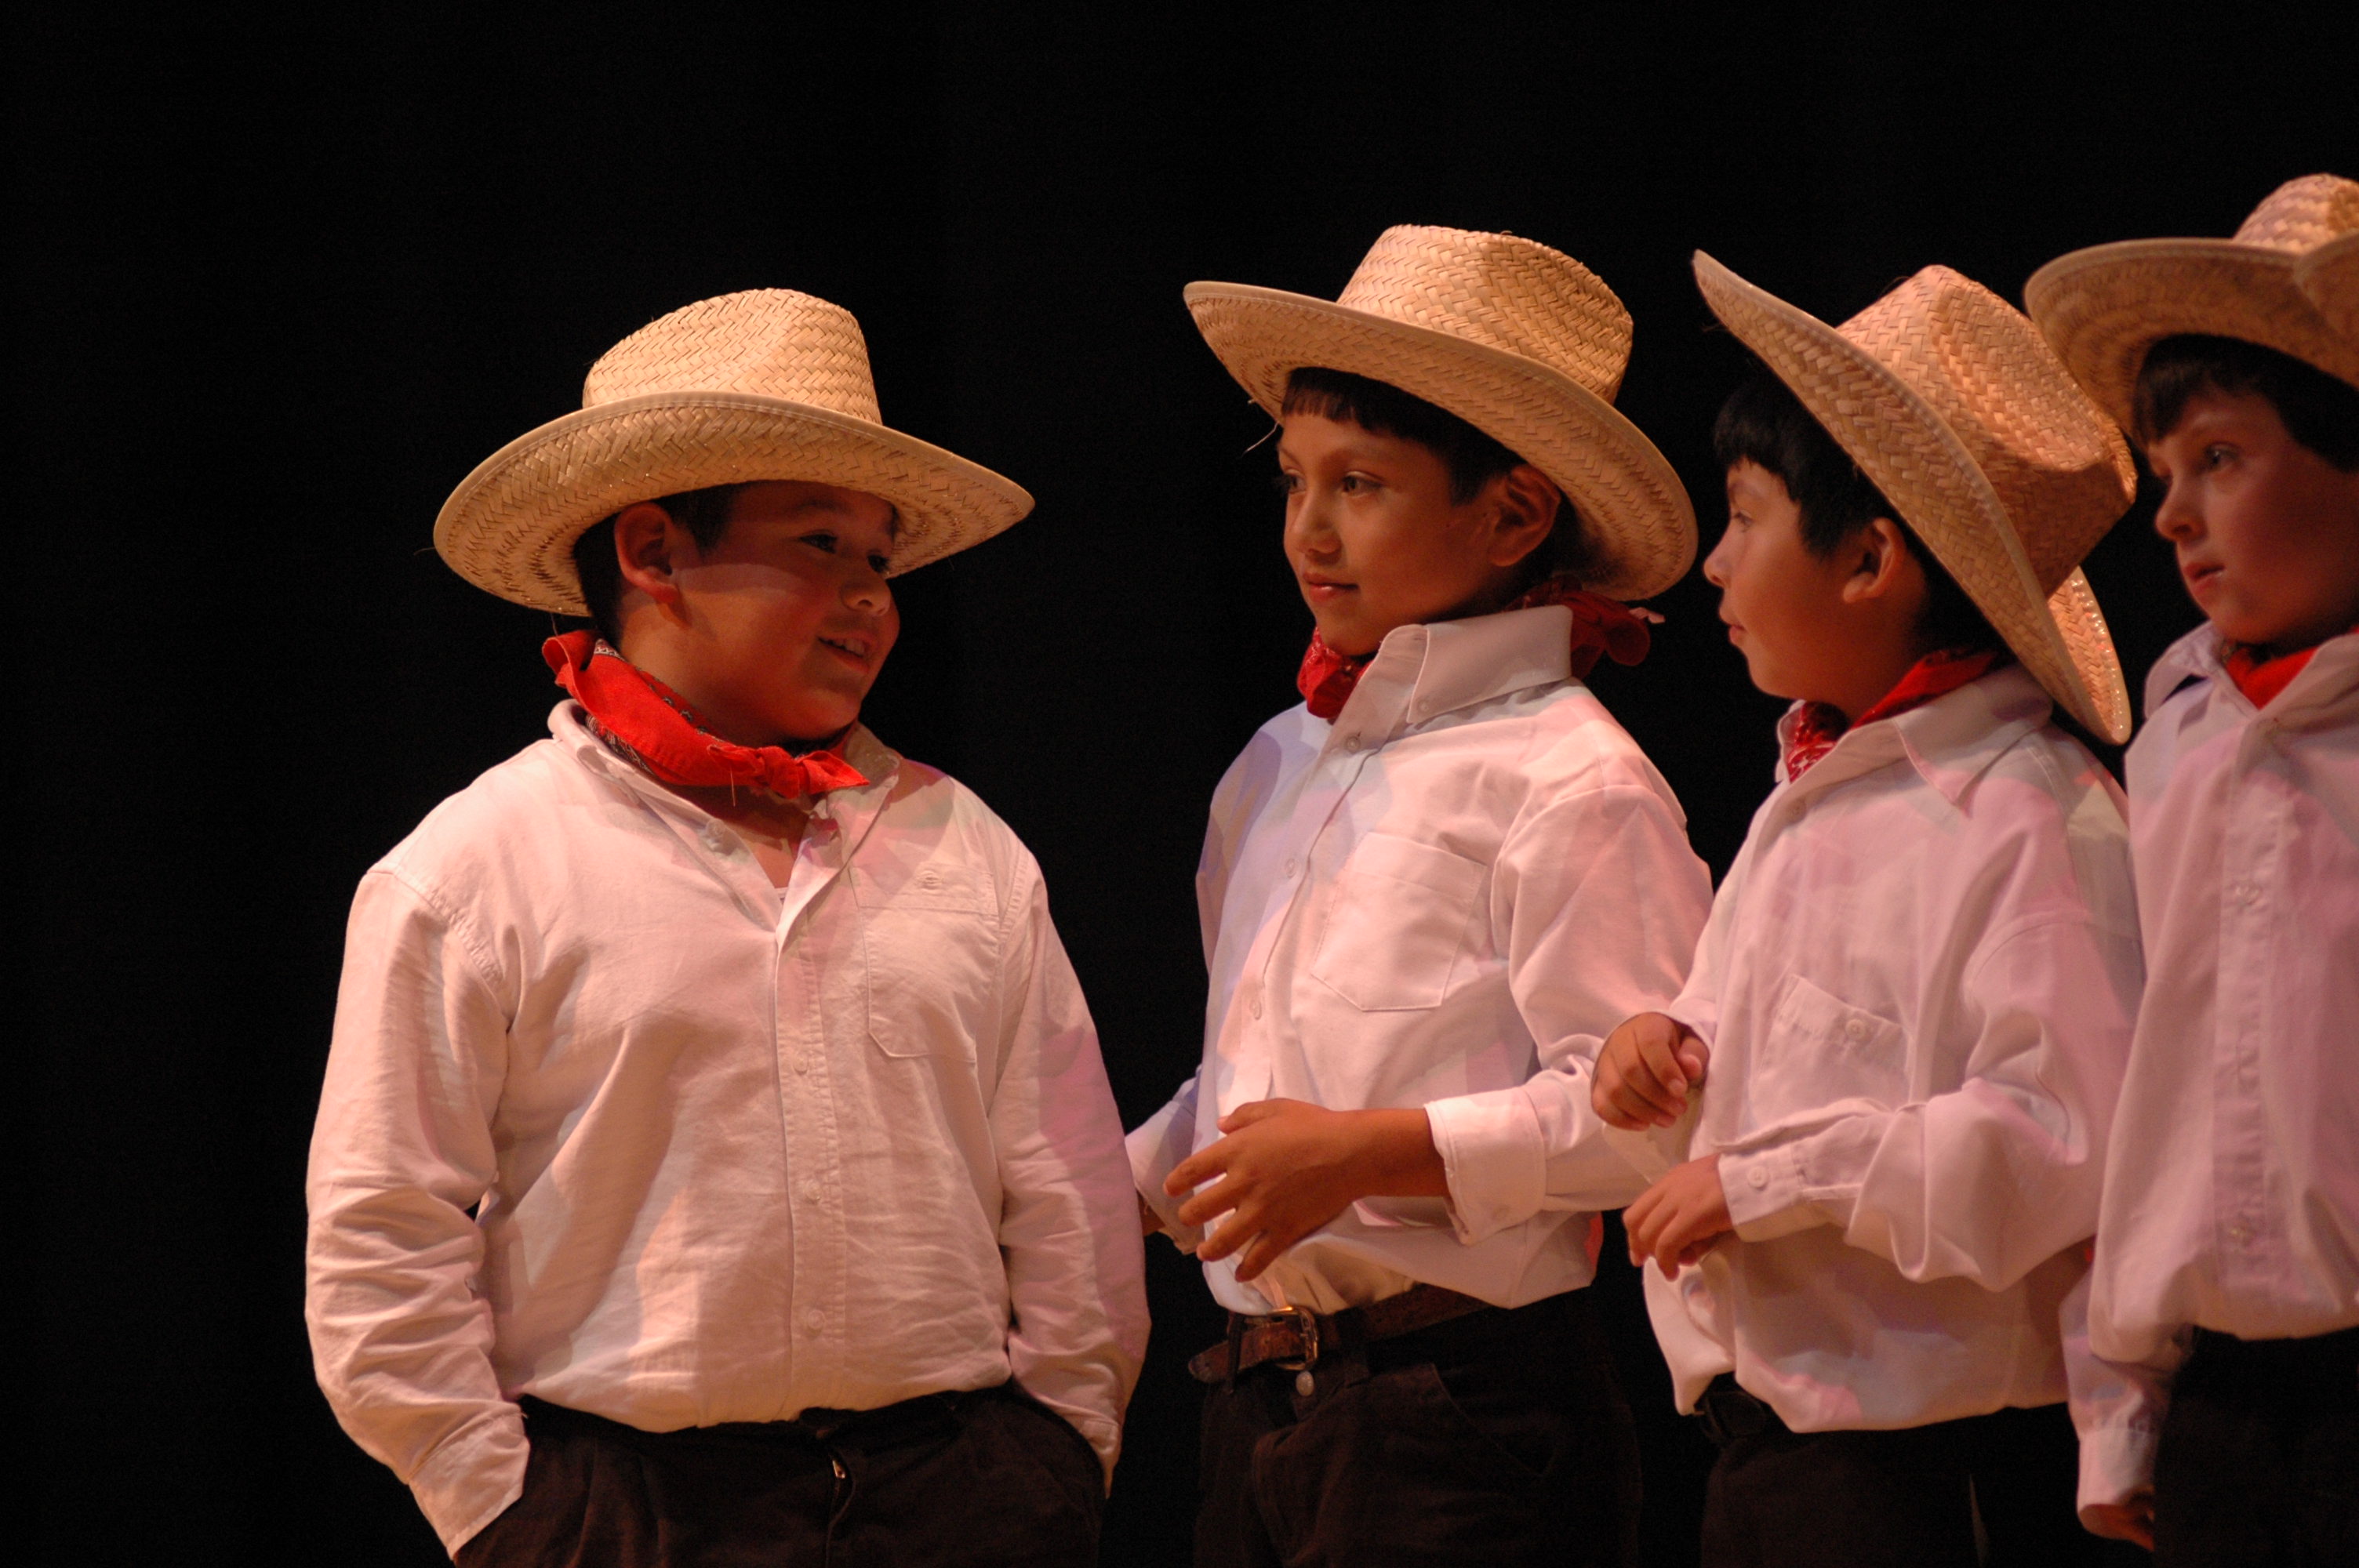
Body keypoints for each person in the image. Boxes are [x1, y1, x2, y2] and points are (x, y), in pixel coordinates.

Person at [304, 289, 1147, 1564]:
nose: (870, 598)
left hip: (960, 1490)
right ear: (651, 551)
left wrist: (1062, 1447)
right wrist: (502, 1509)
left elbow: (1066, 1180)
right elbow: (383, 1230)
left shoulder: (962, 846)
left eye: (881, 561)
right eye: (821, 543)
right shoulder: (479, 868)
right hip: (634, 1509)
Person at [1129, 225, 1714, 1566]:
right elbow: (1255, 1070)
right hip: (1261, 1401)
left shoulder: (1570, 775)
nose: (1309, 529)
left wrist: (1365, 1155)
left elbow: (1653, 1124)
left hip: (1464, 1409)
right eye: (1295, 480)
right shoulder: (1278, 762)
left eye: (1361, 484)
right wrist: (1112, 1183)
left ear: (1511, 516)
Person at [1594, 254, 2146, 1567]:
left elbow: (2057, 1141)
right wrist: (1664, 1041)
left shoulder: (2030, 813)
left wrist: (1767, 1181)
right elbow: (1768, 1020)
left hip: (1931, 1466)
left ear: (1869, 559)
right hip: (1771, 1444)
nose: (1714, 564)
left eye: (1744, 516)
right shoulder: (1817, 784)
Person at [2027, 172, 2359, 1564]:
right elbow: (2143, 1098)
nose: (2171, 515)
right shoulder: (2174, 742)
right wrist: (2122, 1413)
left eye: (2220, 458)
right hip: (2225, 1399)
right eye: (2165, 473)